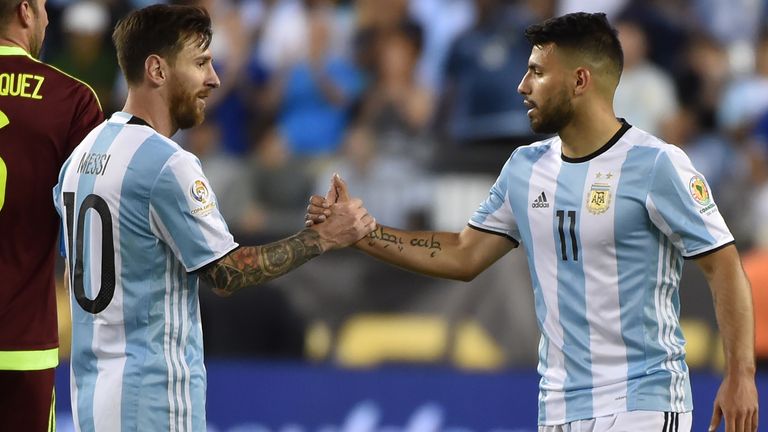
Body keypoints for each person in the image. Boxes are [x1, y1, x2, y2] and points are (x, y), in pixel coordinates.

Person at [307, 12, 758, 432]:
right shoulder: (525, 168)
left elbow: (723, 266)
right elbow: (463, 254)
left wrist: (740, 375)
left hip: (641, 402)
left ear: (581, 80)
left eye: (538, 72)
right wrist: (364, 233)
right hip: (557, 408)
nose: (523, 85)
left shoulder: (657, 164)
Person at [52, 5, 374, 431]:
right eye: (201, 62)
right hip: (153, 403)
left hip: (91, 401)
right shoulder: (169, 164)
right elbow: (227, 274)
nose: (214, 78)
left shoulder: (82, 155)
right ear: (157, 70)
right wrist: (324, 237)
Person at [0, 0, 104, 429]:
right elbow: (97, 220)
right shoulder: (73, 99)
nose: (46, 17)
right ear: (25, 11)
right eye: (43, 7)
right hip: (23, 338)